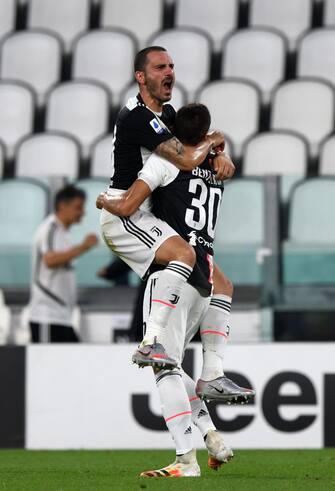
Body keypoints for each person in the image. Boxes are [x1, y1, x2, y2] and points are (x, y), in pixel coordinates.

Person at [97, 104, 255, 477]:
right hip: (205, 277)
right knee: (173, 366)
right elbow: (209, 156)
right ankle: (211, 431)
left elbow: (130, 205)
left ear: (170, 137)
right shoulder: (214, 170)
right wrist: (218, 147)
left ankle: (186, 460)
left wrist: (106, 201)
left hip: (171, 272)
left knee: (163, 367)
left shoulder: (165, 162)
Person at [101, 45, 234, 369]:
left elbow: (197, 143)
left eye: (171, 66)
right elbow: (189, 156)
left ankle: (213, 373)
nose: (169, 72)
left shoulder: (168, 115)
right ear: (141, 77)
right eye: (160, 67)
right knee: (184, 255)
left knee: (222, 283)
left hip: (150, 215)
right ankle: (150, 342)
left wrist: (219, 150)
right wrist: (213, 141)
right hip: (127, 214)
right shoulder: (138, 117)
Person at [28, 185, 98, 342]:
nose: (82, 212)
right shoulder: (50, 228)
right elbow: (50, 260)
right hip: (46, 317)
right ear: (62, 206)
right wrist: (83, 247)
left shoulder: (64, 233)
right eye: (78, 207)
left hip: (63, 316)